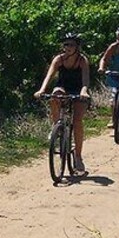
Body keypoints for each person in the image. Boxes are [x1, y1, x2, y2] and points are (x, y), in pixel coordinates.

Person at [34, 32, 90, 173]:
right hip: (63, 88)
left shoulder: (82, 60)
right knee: (55, 95)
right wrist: (41, 90)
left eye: (71, 44)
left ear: (77, 46)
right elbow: (49, 76)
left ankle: (78, 156)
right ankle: (56, 126)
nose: (68, 47)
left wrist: (84, 92)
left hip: (78, 90)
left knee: (77, 121)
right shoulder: (58, 59)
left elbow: (85, 81)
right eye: (66, 44)